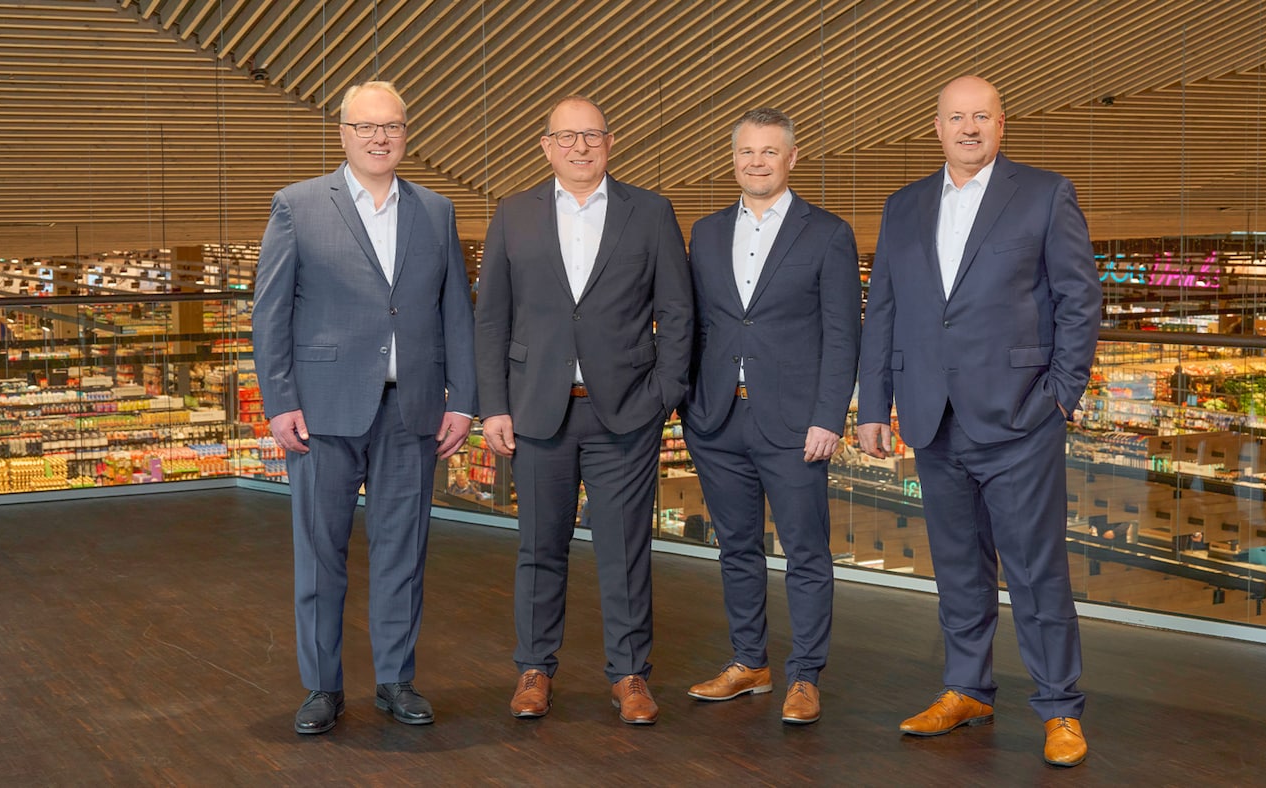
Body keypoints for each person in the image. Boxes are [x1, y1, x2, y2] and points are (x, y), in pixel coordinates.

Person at [856, 75, 1102, 767]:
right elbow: (886, 313)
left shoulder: (1043, 193)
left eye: (982, 117)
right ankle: (966, 688)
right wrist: (874, 405)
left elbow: (1080, 300)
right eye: (956, 117)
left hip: (1021, 416)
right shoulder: (902, 207)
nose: (969, 128)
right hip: (932, 418)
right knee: (960, 567)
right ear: (935, 126)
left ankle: (1060, 708)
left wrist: (1060, 395)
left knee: (1035, 570)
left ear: (1002, 125)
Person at [252, 80, 477, 735]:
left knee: (403, 549)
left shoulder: (436, 210)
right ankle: (322, 687)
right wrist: (279, 402)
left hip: (412, 411)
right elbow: (270, 314)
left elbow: (455, 312)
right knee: (320, 551)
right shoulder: (297, 205)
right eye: (366, 127)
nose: (381, 138)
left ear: (407, 133)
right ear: (343, 133)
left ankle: (395, 680)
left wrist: (462, 399)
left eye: (393, 126)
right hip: (320, 413)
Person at [474, 95, 692, 725]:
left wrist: (663, 394)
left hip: (624, 412)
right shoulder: (513, 214)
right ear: (545, 146)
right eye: (566, 137)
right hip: (537, 411)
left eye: (590, 136)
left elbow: (677, 313)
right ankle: (534, 669)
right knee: (540, 548)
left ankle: (629, 676)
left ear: (610, 142)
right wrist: (495, 405)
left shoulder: (650, 212)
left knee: (625, 551)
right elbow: (491, 319)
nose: (579, 147)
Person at [680, 108, 860, 725]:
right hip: (716, 419)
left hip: (794, 425)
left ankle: (805, 675)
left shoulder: (828, 233)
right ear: (733, 159)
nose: (756, 162)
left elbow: (843, 334)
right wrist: (688, 407)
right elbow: (695, 326)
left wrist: (829, 416)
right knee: (736, 548)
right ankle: (749, 663)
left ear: (792, 158)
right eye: (745, 152)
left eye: (768, 152)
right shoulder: (703, 232)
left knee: (806, 552)